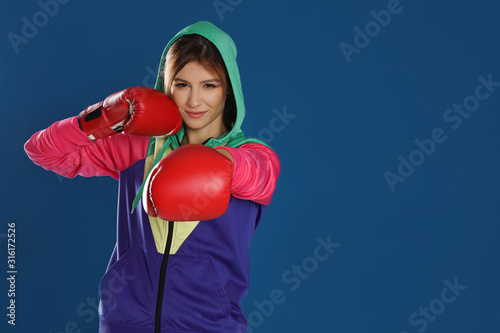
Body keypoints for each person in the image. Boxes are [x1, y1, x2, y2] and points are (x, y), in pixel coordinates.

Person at [24, 21, 280, 333]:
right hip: (124, 323)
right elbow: (43, 152)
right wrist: (102, 118)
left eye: (209, 85)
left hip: (210, 326)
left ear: (229, 89)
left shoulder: (256, 156)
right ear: (166, 84)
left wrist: (218, 162)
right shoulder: (139, 146)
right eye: (182, 84)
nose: (194, 101)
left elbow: (257, 174)